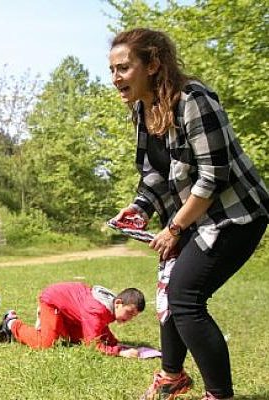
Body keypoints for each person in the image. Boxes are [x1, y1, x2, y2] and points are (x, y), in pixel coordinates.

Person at [108, 28, 269, 400]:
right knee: (171, 292)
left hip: (236, 215)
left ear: (153, 64)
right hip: (196, 216)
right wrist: (139, 207)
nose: (116, 78)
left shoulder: (194, 100)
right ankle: (172, 376)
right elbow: (154, 174)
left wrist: (175, 228)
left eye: (124, 68)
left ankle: (219, 394)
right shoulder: (142, 110)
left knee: (185, 297)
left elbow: (215, 176)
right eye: (112, 70)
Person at [0, 282, 144, 358]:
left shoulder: (109, 308)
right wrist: (119, 352)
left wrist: (114, 343)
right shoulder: (97, 309)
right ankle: (11, 322)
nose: (129, 318)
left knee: (74, 339)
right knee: (45, 343)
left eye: (134, 316)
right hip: (52, 302)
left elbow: (101, 329)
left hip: (69, 311)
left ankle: (48, 321)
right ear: (118, 303)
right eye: (129, 313)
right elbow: (92, 345)